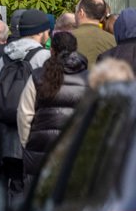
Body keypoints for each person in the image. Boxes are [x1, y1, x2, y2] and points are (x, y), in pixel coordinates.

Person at [0, 9, 51, 211]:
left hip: (6, 132)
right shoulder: (43, 57)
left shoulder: (3, 57)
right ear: (41, 32)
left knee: (12, 183)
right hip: (34, 133)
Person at [19, 32, 89, 181]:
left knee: (36, 195)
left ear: (52, 50)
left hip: (40, 146)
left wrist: (28, 143)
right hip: (75, 146)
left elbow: (25, 114)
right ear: (75, 49)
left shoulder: (38, 76)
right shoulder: (88, 77)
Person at [71, 0, 115, 66]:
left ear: (81, 13)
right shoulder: (113, 40)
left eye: (76, 11)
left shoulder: (68, 37)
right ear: (102, 18)